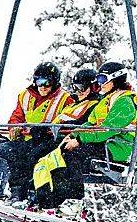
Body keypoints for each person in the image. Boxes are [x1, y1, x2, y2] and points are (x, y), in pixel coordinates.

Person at [34, 61, 137, 214]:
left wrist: (80, 140)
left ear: (115, 79)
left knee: (73, 154)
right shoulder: (107, 100)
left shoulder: (124, 102)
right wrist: (73, 135)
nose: (99, 84)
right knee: (59, 157)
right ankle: (50, 202)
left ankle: (75, 201)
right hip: (103, 144)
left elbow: (107, 129)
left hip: (117, 148)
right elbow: (90, 123)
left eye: (102, 80)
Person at [0, 62, 72, 202]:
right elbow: (16, 117)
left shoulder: (64, 99)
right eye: (39, 81)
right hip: (19, 140)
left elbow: (67, 122)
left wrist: (45, 130)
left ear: (55, 82)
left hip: (39, 143)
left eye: (47, 82)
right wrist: (14, 128)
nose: (42, 86)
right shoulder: (26, 96)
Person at [30, 67, 102, 209]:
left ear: (93, 87)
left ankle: (63, 199)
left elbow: (84, 124)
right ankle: (38, 197)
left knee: (56, 157)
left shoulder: (94, 104)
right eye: (75, 87)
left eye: (81, 88)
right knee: (35, 155)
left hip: (72, 139)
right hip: (60, 136)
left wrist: (57, 131)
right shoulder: (75, 103)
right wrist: (44, 128)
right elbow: (61, 121)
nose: (78, 92)